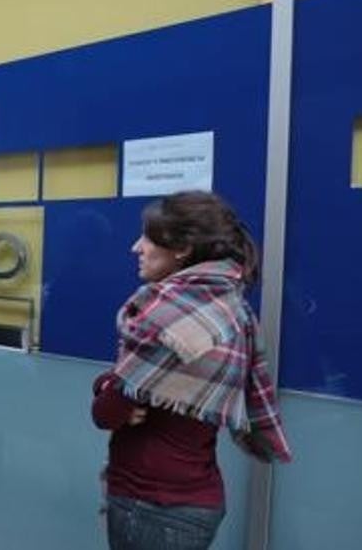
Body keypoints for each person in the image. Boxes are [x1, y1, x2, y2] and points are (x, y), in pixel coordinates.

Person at [92, 191, 291, 550]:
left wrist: (110, 388)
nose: (136, 247)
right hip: (196, 498)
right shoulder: (229, 307)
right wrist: (111, 384)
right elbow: (123, 392)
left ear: (181, 248)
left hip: (152, 504)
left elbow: (106, 412)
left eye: (148, 238)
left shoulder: (168, 317)